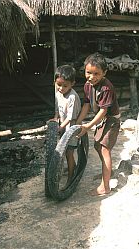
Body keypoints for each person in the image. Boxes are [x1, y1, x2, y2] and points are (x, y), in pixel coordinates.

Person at [76, 52, 120, 196]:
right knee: (97, 145)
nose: (92, 77)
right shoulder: (88, 86)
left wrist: (88, 126)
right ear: (84, 71)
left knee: (104, 149)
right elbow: (86, 105)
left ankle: (105, 187)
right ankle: (108, 171)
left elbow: (103, 111)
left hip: (111, 120)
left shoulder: (106, 88)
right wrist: (78, 122)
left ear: (104, 73)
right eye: (89, 73)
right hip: (103, 119)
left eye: (96, 74)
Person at [49, 64, 81, 182]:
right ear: (55, 82)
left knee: (69, 152)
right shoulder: (58, 94)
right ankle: (71, 168)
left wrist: (61, 126)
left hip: (71, 130)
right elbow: (58, 110)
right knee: (62, 151)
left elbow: (71, 117)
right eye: (59, 85)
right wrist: (55, 118)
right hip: (63, 128)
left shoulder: (73, 97)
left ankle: (71, 176)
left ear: (72, 84)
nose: (61, 88)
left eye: (65, 86)